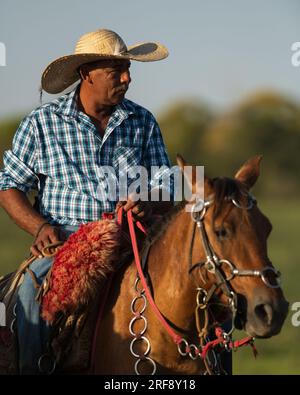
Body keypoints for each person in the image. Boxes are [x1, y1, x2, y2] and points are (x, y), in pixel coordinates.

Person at [0, 28, 174, 374]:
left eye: (128, 69)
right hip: (65, 243)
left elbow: (166, 186)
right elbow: (9, 187)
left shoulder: (142, 121)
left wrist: (148, 203)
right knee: (31, 303)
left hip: (131, 241)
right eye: (116, 72)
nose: (126, 78)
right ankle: (37, 367)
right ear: (86, 75)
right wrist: (41, 228)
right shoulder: (42, 124)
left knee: (196, 291)